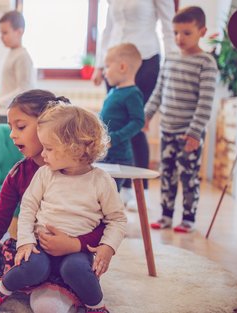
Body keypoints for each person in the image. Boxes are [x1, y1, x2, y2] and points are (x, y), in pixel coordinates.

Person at [0, 90, 106, 313]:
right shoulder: (19, 173)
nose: (12, 135)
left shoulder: (85, 176)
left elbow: (105, 225)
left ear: (48, 126)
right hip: (31, 255)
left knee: (47, 307)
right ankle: (21, 282)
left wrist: (74, 245)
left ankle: (51, 288)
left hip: (71, 258)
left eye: (20, 127)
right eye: (10, 127)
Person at [0, 105, 127, 313]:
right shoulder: (46, 174)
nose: (43, 154)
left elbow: (116, 219)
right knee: (32, 266)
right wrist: (25, 242)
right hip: (39, 246)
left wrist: (108, 247)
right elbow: (28, 207)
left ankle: (96, 306)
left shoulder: (101, 180)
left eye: (49, 148)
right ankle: (1, 289)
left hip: (76, 251)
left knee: (77, 269)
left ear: (75, 148)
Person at [92, 0, 178, 210]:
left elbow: (169, 24)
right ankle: (119, 189)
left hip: (145, 60)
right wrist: (99, 65)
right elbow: (107, 28)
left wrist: (174, 63)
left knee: (137, 127)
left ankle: (142, 190)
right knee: (114, 123)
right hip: (114, 61)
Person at [146, 6, 218, 233]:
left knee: (188, 178)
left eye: (187, 33)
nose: (179, 38)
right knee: (166, 175)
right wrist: (146, 115)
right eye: (176, 32)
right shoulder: (170, 59)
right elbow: (158, 92)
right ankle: (166, 215)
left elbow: (205, 102)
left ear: (202, 31)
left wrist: (194, 132)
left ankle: (188, 218)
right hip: (167, 129)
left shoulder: (206, 63)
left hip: (189, 133)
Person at [98, 43, 145, 190]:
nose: (104, 72)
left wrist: (114, 138)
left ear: (122, 67)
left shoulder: (132, 93)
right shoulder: (113, 91)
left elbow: (138, 122)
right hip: (106, 152)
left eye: (107, 66)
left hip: (118, 156)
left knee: (109, 194)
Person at [0, 10, 35, 124]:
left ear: (19, 32)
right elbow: (8, 86)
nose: (1, 37)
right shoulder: (10, 54)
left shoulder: (22, 57)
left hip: (16, 114)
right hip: (5, 111)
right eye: (0, 33)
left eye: (5, 33)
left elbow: (24, 89)